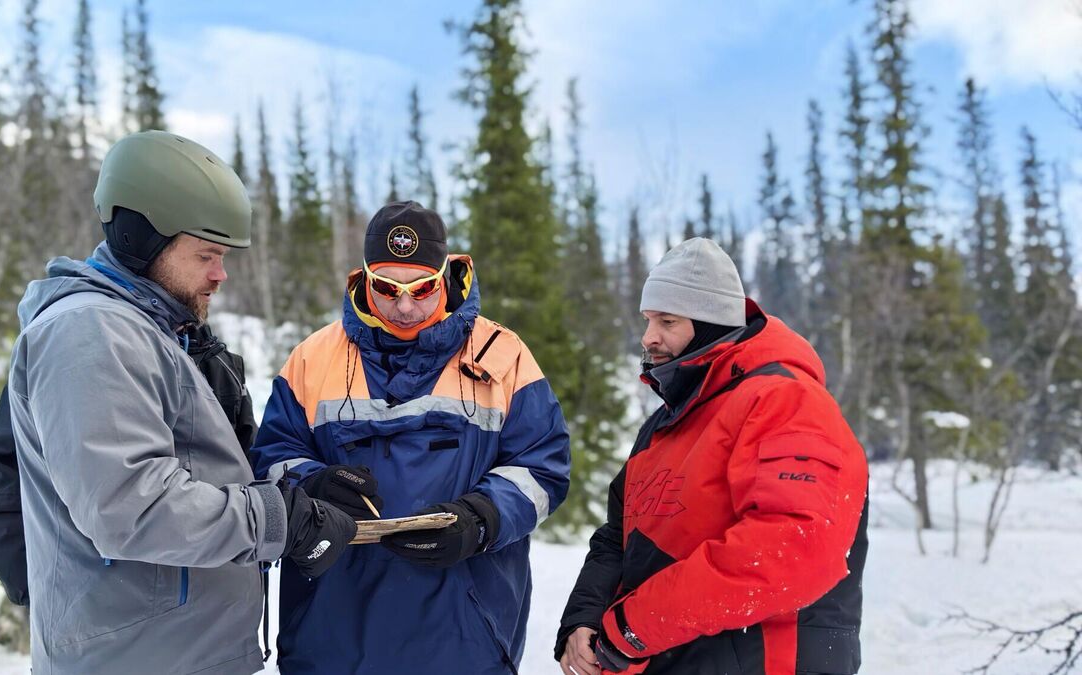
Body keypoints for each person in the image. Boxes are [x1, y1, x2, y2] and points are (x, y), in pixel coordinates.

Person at [3, 130, 356, 674]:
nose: (221, 273)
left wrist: (299, 491)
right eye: (207, 255)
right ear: (138, 239)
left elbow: (201, 468)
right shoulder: (91, 333)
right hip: (137, 659)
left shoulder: (157, 332)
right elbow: (129, 504)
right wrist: (275, 519)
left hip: (177, 652)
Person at [252, 200, 572, 674]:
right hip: (332, 632)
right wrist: (313, 484)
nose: (404, 306)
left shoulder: (502, 355)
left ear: (446, 277)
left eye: (422, 289)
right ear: (362, 279)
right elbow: (273, 456)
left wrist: (481, 519)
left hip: (466, 634)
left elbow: (543, 467)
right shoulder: (311, 359)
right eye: (387, 288)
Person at [556, 238, 868, 675]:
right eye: (648, 320)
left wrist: (633, 627)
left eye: (667, 321)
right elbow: (618, 535)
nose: (649, 338)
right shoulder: (669, 421)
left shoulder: (785, 401)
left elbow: (790, 548)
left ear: (710, 325)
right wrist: (584, 620)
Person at [0, 319, 257, 609]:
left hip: (218, 621)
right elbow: (2, 489)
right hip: (105, 623)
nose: (218, 277)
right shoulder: (78, 346)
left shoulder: (210, 357)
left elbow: (247, 470)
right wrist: (59, 598)